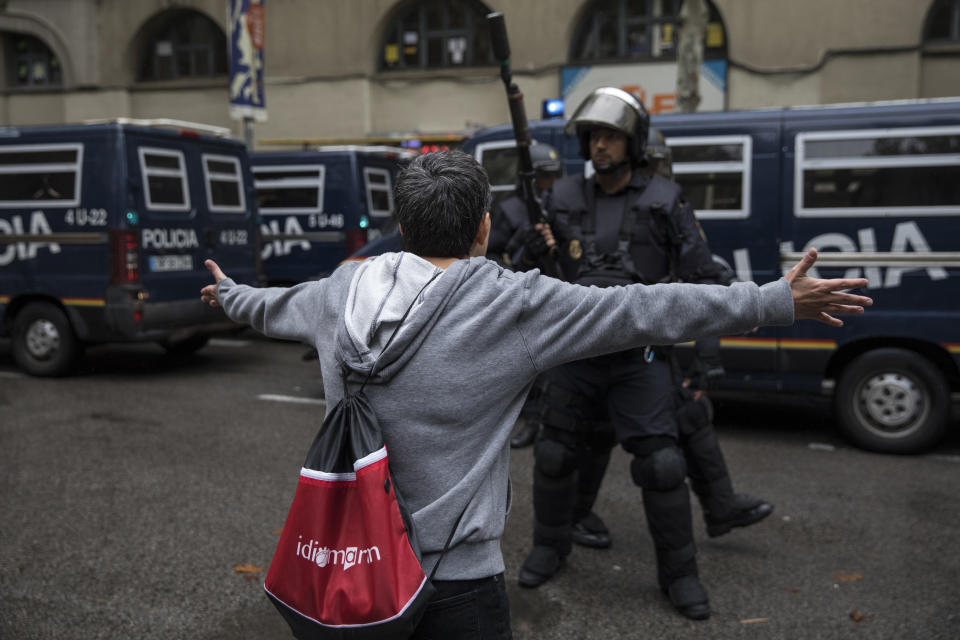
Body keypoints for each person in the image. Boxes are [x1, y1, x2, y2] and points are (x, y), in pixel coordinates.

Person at [201, 149, 870, 638]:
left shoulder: (335, 293)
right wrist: (775, 300)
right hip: (459, 585)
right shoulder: (512, 304)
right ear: (484, 229)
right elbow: (645, 308)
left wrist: (226, 292)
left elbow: (266, 307)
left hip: (350, 570)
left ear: (403, 226)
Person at [514, 88, 771, 620]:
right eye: (594, 137)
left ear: (631, 142)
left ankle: (679, 576)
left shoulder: (665, 198)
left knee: (661, 465)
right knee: (555, 454)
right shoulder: (560, 197)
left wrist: (706, 354)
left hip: (642, 359)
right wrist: (529, 251)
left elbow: (703, 280)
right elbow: (525, 275)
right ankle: (549, 547)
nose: (600, 146)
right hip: (576, 353)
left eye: (610, 136)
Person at [485, 142, 563, 448]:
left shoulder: (561, 206)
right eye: (545, 179)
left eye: (555, 178)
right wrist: (518, 255)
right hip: (524, 297)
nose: (551, 185)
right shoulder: (511, 210)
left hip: (556, 292)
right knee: (530, 364)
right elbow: (489, 255)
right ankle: (531, 421)